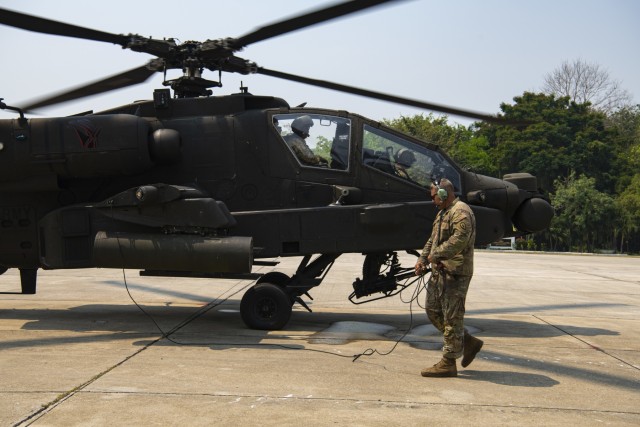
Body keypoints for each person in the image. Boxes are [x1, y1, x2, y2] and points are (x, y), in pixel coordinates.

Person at [414, 178, 484, 377]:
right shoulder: (442, 212)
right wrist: (422, 258)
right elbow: (432, 239)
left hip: (456, 273)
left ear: (444, 194)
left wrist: (435, 255)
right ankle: (467, 341)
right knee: (433, 310)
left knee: (452, 317)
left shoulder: (461, 212)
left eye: (434, 196)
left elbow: (459, 240)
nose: (433, 200)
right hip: (440, 271)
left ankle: (448, 362)